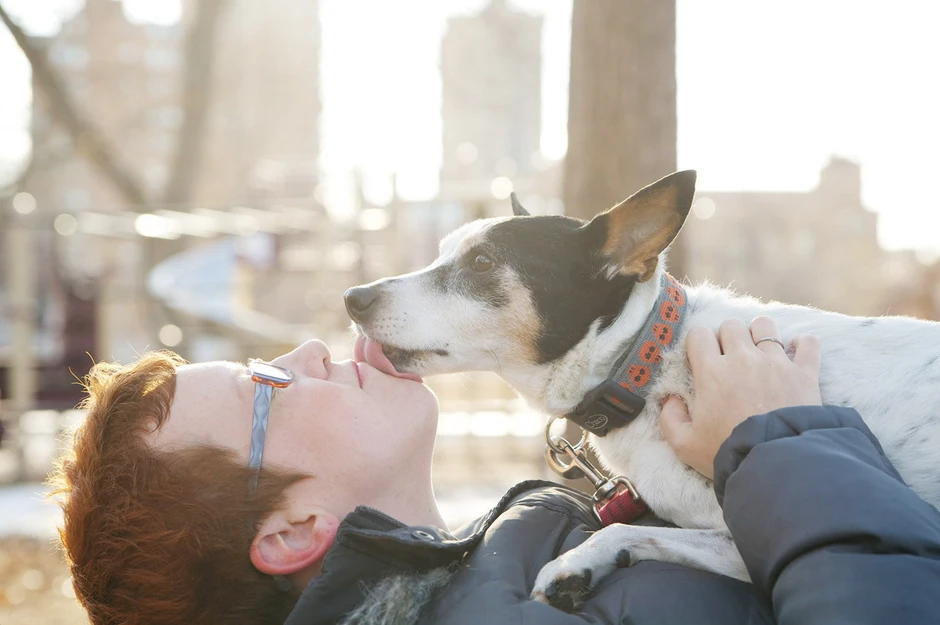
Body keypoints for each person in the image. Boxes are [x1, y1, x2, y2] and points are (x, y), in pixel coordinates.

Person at [50, 316, 940, 625]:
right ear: (289, 532)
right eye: (266, 385)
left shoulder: (508, 578)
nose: (310, 348)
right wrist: (776, 445)